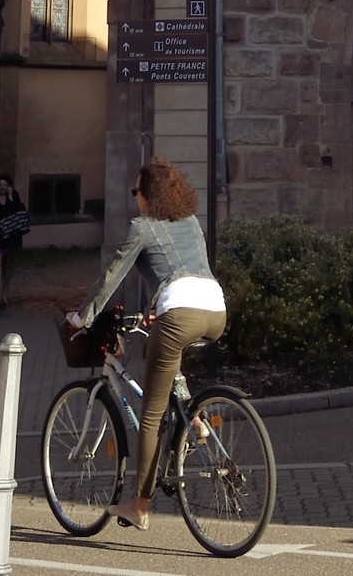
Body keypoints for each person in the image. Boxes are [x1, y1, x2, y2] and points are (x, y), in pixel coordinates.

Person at [70, 157, 225, 530]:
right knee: (168, 355)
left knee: (151, 417)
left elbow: (113, 275)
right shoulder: (190, 223)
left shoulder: (141, 227)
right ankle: (196, 421)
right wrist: (152, 312)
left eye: (135, 191)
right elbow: (179, 273)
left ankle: (139, 506)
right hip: (216, 311)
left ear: (148, 194)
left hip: (180, 313)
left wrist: (83, 317)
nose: (134, 197)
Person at [0, 173, 28, 312]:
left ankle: (5, 294)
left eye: (5, 185)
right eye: (1, 185)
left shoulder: (13, 197)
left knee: (8, 266)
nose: (3, 187)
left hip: (10, 236)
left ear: (8, 186)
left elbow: (20, 211)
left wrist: (12, 198)